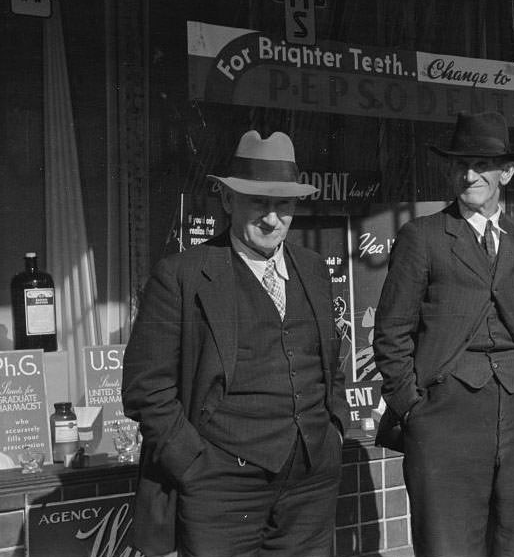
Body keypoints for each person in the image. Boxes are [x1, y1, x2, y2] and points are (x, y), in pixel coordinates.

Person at [122, 130, 350, 557]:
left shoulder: (314, 270)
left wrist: (333, 430)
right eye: (259, 203)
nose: (271, 219)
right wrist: (193, 464)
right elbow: (145, 388)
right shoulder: (182, 276)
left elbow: (328, 363)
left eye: (283, 204)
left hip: (310, 482)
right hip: (222, 487)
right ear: (227, 201)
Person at [373, 110, 514, 557]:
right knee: (449, 545)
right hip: (445, 417)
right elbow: (391, 331)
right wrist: (413, 409)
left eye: (481, 165)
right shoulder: (423, 236)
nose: (469, 174)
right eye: (460, 164)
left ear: (507, 173)